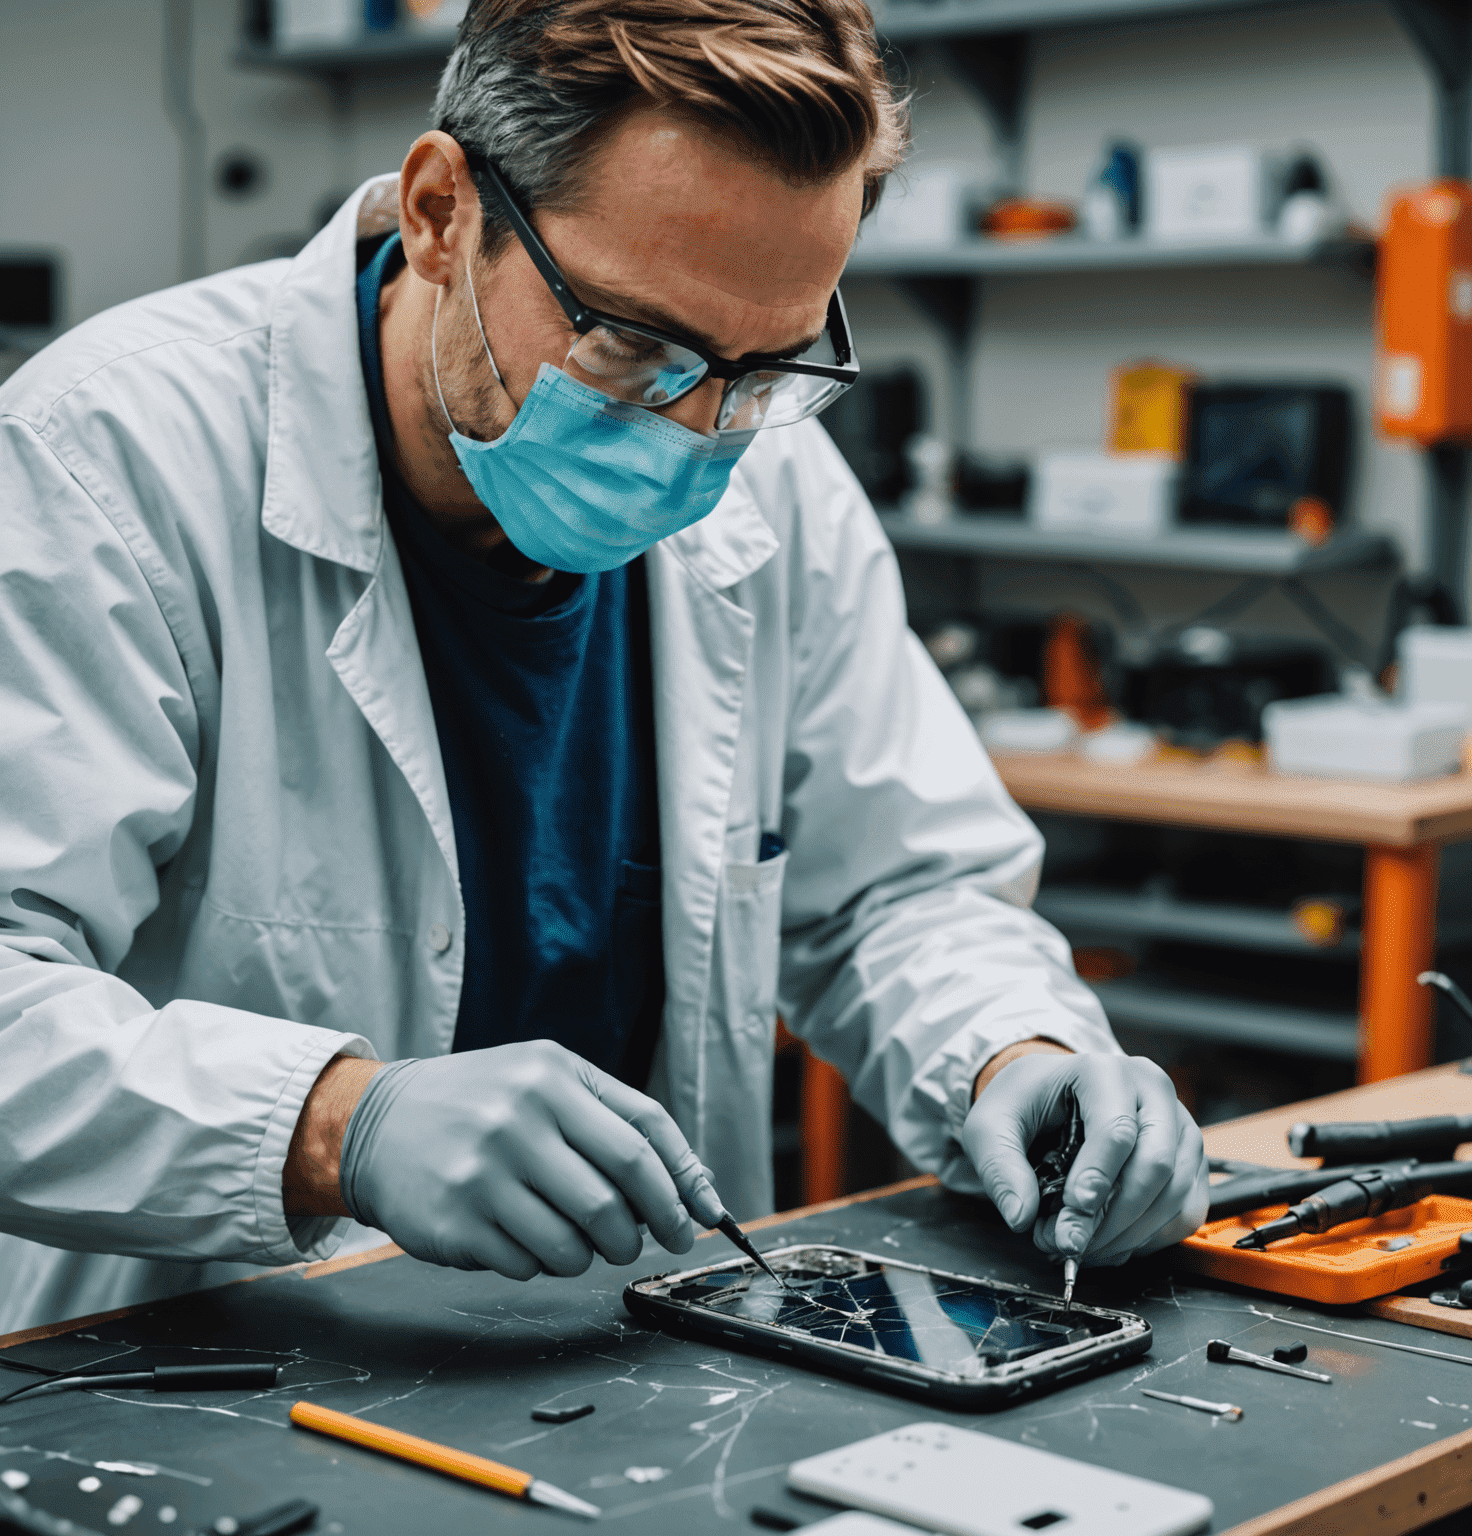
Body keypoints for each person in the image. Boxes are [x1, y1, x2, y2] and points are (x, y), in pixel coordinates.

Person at [0, 0, 1206, 1336]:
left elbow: (895, 893)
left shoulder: (778, 485)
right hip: (196, 1375)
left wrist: (1011, 1049)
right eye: (634, 345)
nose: (697, 429)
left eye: (764, 366)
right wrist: (336, 1123)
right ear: (442, 211)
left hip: (647, 1373)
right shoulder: (105, 460)